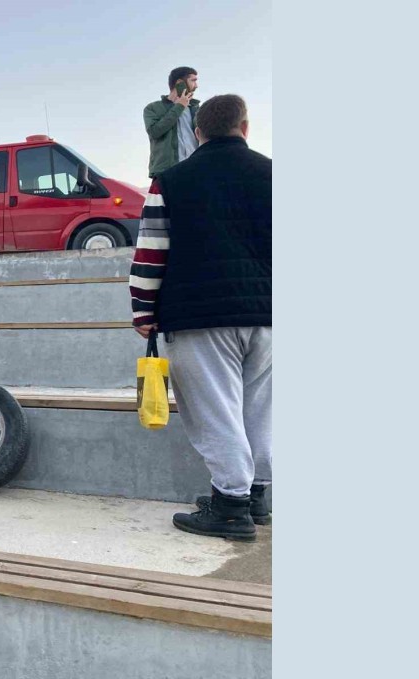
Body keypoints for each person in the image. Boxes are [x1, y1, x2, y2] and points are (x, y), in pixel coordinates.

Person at [129, 94, 271, 541]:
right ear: (244, 128)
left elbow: (151, 252)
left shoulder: (171, 180)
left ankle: (230, 507)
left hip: (199, 313)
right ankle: (256, 497)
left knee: (217, 412)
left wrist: (143, 309)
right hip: (269, 313)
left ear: (197, 132)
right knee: (261, 409)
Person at [144, 67, 202, 179]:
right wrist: (179, 106)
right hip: (166, 173)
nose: (196, 86)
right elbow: (154, 132)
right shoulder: (153, 108)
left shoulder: (196, 109)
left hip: (194, 171)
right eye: (193, 80)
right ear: (180, 82)